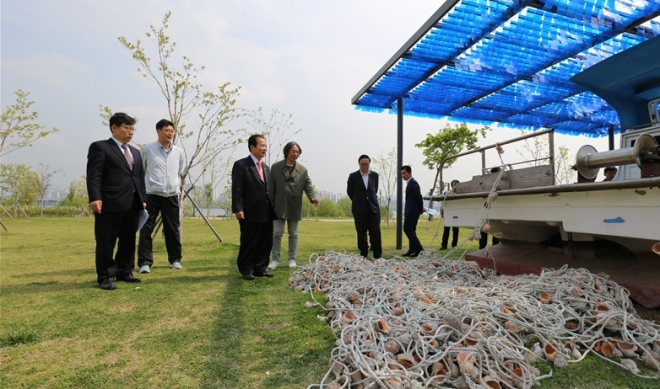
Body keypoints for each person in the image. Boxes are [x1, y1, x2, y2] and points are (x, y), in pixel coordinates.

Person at [86, 112, 147, 290]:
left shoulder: (135, 152)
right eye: (127, 128)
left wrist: (143, 199)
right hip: (109, 203)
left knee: (128, 240)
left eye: (133, 129)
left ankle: (125, 271)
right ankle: (105, 275)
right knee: (106, 241)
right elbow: (94, 175)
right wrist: (95, 197)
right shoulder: (101, 147)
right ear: (114, 128)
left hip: (132, 203)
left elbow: (140, 178)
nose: (131, 132)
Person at [137, 119, 185, 274]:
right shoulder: (147, 150)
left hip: (171, 195)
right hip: (151, 195)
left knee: (173, 229)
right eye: (166, 130)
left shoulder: (178, 152)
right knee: (146, 229)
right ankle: (145, 262)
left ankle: (175, 260)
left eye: (172, 131)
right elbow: (141, 171)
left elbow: (179, 171)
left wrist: (174, 185)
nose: (170, 133)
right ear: (158, 131)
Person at [268, 142, 320, 269]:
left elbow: (308, 185)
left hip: (294, 205)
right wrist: (269, 204)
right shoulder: (275, 167)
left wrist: (312, 197)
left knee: (293, 234)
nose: (295, 154)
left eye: (297, 152)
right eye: (293, 151)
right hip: (278, 205)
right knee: (277, 233)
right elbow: (270, 187)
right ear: (287, 152)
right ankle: (275, 260)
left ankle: (292, 259)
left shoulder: (302, 170)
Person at [231, 134, 276, 280]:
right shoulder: (241, 165)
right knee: (249, 241)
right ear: (252, 147)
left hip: (266, 211)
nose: (265, 148)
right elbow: (237, 189)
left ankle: (260, 268)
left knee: (265, 242)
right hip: (249, 211)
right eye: (262, 145)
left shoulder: (265, 167)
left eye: (265, 145)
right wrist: (238, 208)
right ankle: (246, 269)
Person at [347, 154, 382, 259]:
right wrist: (359, 200)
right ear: (359, 164)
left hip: (373, 208)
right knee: (361, 232)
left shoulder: (374, 175)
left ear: (369, 164)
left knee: (375, 231)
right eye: (362, 164)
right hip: (359, 209)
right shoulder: (353, 176)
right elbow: (350, 192)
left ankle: (377, 255)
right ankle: (363, 254)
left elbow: (374, 190)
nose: (364, 166)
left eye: (366, 164)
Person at [401, 165, 425, 257]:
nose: (403, 175)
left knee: (407, 229)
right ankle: (412, 249)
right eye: (401, 174)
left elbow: (418, 197)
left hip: (412, 211)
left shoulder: (413, 183)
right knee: (411, 230)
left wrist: (421, 208)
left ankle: (419, 249)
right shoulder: (410, 183)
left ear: (410, 173)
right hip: (411, 210)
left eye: (404, 173)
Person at [441, 179, 460, 250]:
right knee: (446, 230)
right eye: (454, 185)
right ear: (452, 185)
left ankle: (454, 244)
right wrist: (442, 213)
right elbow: (443, 204)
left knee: (455, 230)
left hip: (456, 214)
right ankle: (444, 244)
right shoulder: (447, 193)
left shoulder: (460, 194)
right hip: (448, 213)